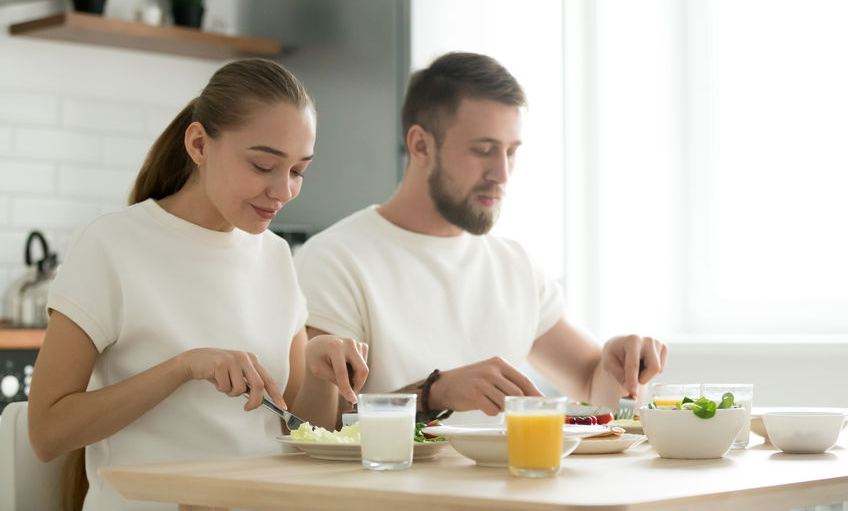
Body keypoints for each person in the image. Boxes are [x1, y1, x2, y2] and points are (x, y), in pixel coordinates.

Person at [27, 59, 369, 511]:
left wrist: (323, 374)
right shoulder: (111, 245)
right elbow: (47, 434)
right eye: (264, 164)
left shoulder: (274, 255)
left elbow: (298, 431)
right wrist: (182, 368)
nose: (283, 191)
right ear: (199, 144)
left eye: (298, 170)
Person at [294, 52, 667, 424]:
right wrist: (434, 392)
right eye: (483, 151)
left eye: (511, 152)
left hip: (514, 482)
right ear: (421, 145)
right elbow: (322, 425)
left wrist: (620, 364)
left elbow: (591, 385)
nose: (501, 173)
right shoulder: (335, 260)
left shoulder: (516, 265)